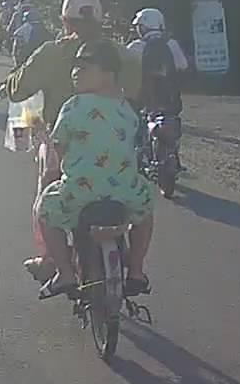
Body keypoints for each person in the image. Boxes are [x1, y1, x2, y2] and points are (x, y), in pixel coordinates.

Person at [2, 0, 142, 282]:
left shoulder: (51, 53)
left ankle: (50, 259)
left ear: (65, 21)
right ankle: (136, 267)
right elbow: (139, 93)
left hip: (63, 142)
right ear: (100, 20)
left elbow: (18, 89)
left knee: (46, 191)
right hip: (115, 147)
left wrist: (10, 82)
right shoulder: (120, 55)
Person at [33, 39, 156, 299]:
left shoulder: (74, 105)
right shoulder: (128, 109)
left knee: (44, 211)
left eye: (85, 67)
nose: (76, 72)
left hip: (80, 192)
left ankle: (65, 273)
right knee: (145, 214)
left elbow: (59, 148)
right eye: (75, 67)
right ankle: (136, 271)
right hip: (125, 192)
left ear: (108, 73)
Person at [125, 7, 189, 171]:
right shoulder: (172, 44)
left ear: (143, 27)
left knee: (137, 128)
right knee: (172, 127)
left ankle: (139, 160)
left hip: (145, 100)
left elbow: (123, 68)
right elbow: (183, 65)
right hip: (170, 99)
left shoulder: (135, 47)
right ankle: (174, 157)